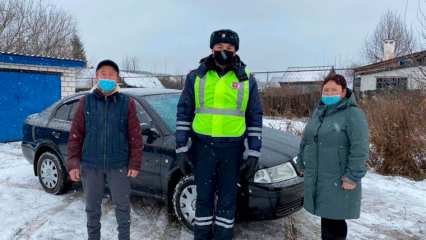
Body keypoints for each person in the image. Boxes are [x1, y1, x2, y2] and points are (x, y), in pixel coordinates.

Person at [175, 29, 263, 240]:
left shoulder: (247, 79)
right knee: (203, 198)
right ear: (212, 48)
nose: (224, 51)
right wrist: (181, 147)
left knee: (227, 200)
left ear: (236, 50)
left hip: (231, 151)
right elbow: (184, 111)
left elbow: (254, 116)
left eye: (229, 48)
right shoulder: (196, 76)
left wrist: (253, 153)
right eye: (219, 47)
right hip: (202, 147)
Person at [67, 60, 143, 240]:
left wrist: (134, 162)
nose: (107, 77)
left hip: (118, 165)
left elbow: (135, 136)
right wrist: (73, 163)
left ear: (117, 78)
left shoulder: (127, 103)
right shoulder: (86, 102)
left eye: (111, 74)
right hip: (91, 165)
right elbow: (76, 134)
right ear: (96, 77)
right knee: (92, 209)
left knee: (123, 208)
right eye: (103, 74)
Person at [296, 72, 369, 240]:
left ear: (343, 92)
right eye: (326, 90)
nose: (329, 94)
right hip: (319, 176)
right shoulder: (320, 112)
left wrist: (352, 177)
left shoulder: (352, 114)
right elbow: (306, 140)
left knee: (335, 220)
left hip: (338, 178)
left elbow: (360, 148)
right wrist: (301, 162)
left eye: (334, 90)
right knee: (327, 217)